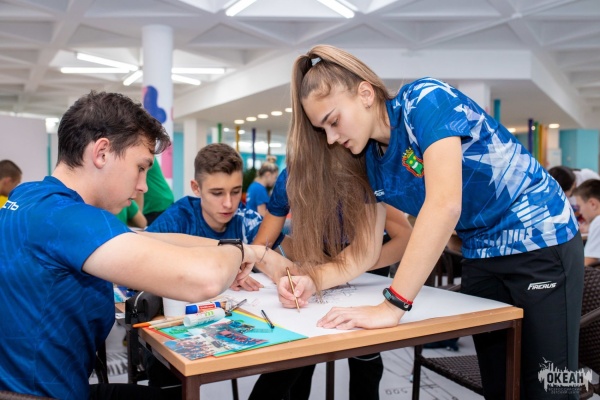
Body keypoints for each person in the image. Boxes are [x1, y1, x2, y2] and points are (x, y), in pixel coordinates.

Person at [278, 45, 583, 400]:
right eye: (323, 130)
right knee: (500, 386)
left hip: (542, 237)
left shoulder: (424, 100)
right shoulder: (367, 161)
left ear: (365, 93)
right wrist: (312, 280)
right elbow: (365, 251)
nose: (331, 138)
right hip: (480, 251)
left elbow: (444, 205)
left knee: (549, 387)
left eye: (333, 121)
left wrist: (392, 306)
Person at [0, 91, 286, 400]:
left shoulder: (32, 196)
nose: (143, 186)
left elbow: (145, 238)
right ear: (102, 153)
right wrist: (243, 251)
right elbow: (204, 280)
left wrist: (251, 250)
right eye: (140, 167)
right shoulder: (69, 218)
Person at [250, 167, 412, 400]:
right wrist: (279, 272)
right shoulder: (291, 178)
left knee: (364, 354)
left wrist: (352, 266)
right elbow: (261, 245)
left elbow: (404, 238)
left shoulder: (365, 174)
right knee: (301, 351)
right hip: (321, 266)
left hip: (369, 267)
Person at [147, 143, 286, 283]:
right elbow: (140, 258)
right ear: (196, 188)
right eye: (217, 193)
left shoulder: (247, 220)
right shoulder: (175, 220)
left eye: (236, 191)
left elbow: (290, 256)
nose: (229, 204)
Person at [134, 155, 174, 225]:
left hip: (156, 205)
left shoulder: (139, 155)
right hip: (162, 201)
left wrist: (137, 218)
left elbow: (138, 189)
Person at [573, 179, 600, 266]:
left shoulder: (598, 222)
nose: (580, 212)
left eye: (579, 206)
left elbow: (585, 263)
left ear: (593, 204)